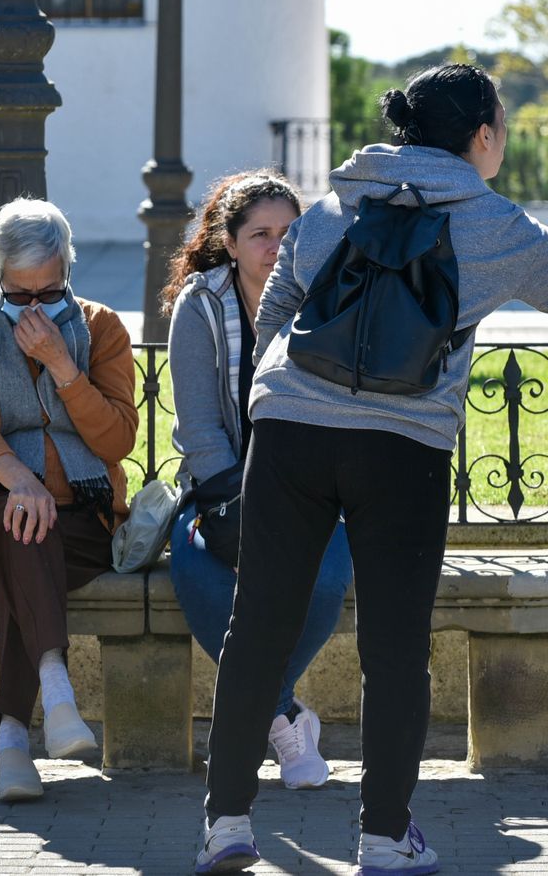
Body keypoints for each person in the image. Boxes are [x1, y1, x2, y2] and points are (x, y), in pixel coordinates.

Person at [191, 63, 548, 876]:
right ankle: (383, 837)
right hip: (403, 448)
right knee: (396, 646)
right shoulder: (493, 222)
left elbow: (279, 301)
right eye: (501, 126)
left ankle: (226, 825)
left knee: (257, 626)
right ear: (481, 135)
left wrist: (274, 391)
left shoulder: (339, 201)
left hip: (292, 432)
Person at [161, 170, 354, 791]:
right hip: (222, 494)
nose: (275, 247)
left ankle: (253, 716)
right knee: (202, 578)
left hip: (314, 493)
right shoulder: (202, 303)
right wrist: (242, 520)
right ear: (232, 242)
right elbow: (199, 427)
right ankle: (283, 717)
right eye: (260, 235)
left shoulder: (329, 294)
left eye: (289, 233)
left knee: (322, 583)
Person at [0, 198, 139, 803]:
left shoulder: (101, 329)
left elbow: (116, 437)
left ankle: (10, 741)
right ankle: (55, 685)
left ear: (67, 273)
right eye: (19, 295)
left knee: (31, 550)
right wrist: (18, 479)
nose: (33, 309)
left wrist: (62, 366)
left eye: (47, 293)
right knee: (21, 524)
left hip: (81, 516)